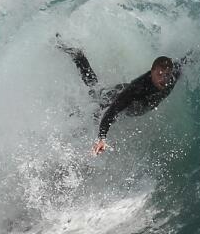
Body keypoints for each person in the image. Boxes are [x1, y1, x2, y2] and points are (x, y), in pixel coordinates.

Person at [57, 36, 192, 155]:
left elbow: (182, 63)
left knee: (96, 90)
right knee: (95, 101)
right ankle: (78, 57)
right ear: (152, 72)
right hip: (117, 95)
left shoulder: (172, 77)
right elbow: (111, 112)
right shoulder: (137, 89)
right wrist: (102, 138)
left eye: (167, 75)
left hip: (129, 98)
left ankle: (78, 57)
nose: (164, 79)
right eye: (159, 75)